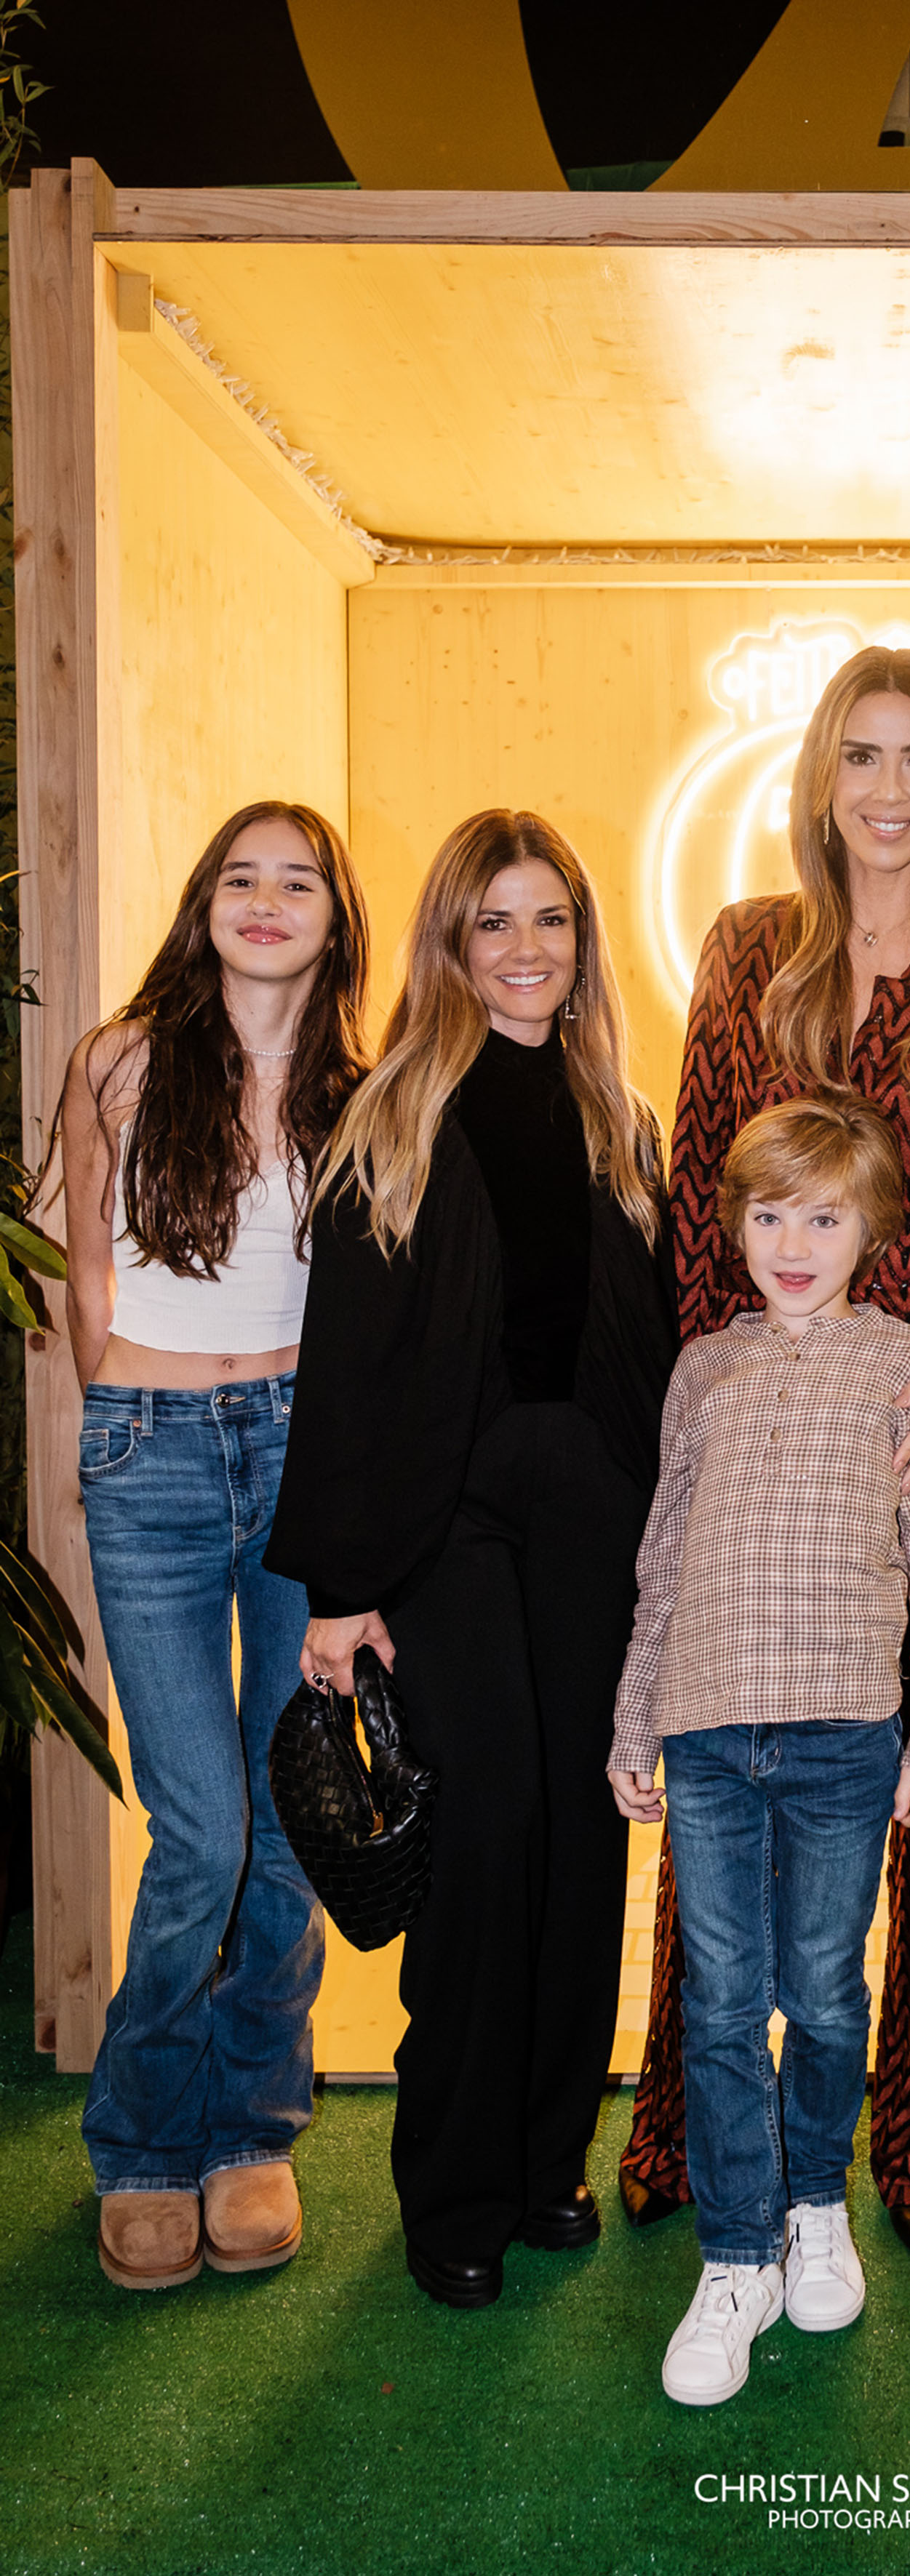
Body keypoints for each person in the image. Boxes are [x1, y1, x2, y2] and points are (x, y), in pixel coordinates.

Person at [623, 645, 910, 2249]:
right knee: (725, 1755)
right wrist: (709, 1410)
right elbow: (698, 1193)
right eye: (861, 755)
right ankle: (694, 2120)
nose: (889, 789)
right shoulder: (748, 948)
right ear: (818, 777)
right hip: (766, 1418)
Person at [266, 809, 676, 2309]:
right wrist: (340, 1590)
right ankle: (452, 2184)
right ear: (450, 941)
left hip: (593, 1515)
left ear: (581, 942)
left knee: (581, 1832)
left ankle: (547, 2156)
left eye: (550, 918)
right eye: (493, 920)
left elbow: (656, 1347)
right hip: (443, 1523)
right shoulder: (389, 1118)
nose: (524, 948)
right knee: (489, 1830)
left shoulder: (621, 1120)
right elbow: (348, 1365)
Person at [609, 1095, 910, 2403]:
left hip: (844, 1735)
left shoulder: (908, 1365)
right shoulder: (701, 1371)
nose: (792, 1245)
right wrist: (634, 1716)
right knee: (718, 2003)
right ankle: (734, 2257)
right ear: (736, 1225)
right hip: (708, 1734)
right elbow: (661, 1561)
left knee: (823, 1993)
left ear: (869, 1229)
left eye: (823, 1219)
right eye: (769, 1216)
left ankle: (815, 2202)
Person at [60, 801, 370, 2291]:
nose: (265, 900)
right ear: (203, 904)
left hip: (306, 1450)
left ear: (334, 919)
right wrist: (112, 1398)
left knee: (288, 1810)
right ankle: (141, 2138)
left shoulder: (362, 1092)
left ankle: (251, 2128)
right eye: (240, 877)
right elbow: (87, 1267)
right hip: (155, 1452)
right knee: (200, 1828)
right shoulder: (120, 1060)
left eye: (296, 881)